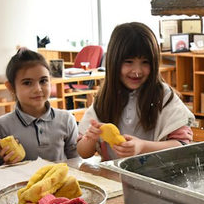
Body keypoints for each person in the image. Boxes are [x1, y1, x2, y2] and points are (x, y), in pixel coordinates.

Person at [78, 22, 195, 160]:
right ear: (114, 62)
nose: (137, 71)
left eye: (145, 62)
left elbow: (182, 145)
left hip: (155, 176)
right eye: (129, 61)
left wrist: (142, 147)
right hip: (114, 178)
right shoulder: (105, 99)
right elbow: (83, 153)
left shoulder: (163, 96)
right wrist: (91, 139)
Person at [0, 48, 79, 165]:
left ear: (50, 81)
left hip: (60, 182)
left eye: (43, 81)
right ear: (11, 87)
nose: (38, 89)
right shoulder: (1, 127)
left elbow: (75, 161)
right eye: (27, 83)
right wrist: (6, 165)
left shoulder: (66, 120)